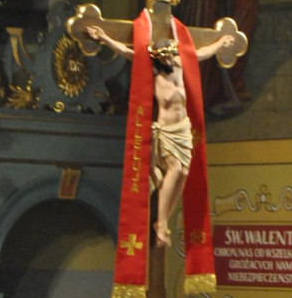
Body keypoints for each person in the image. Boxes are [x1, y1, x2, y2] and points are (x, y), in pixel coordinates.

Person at [87, 24, 235, 246]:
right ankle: (162, 223)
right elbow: (126, 51)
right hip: (166, 129)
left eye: (171, 55)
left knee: (184, 172)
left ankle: (165, 219)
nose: (169, 60)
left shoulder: (180, 64)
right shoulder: (152, 70)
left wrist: (221, 43)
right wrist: (104, 37)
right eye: (164, 57)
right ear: (157, 57)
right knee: (174, 168)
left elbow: (202, 53)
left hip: (182, 127)